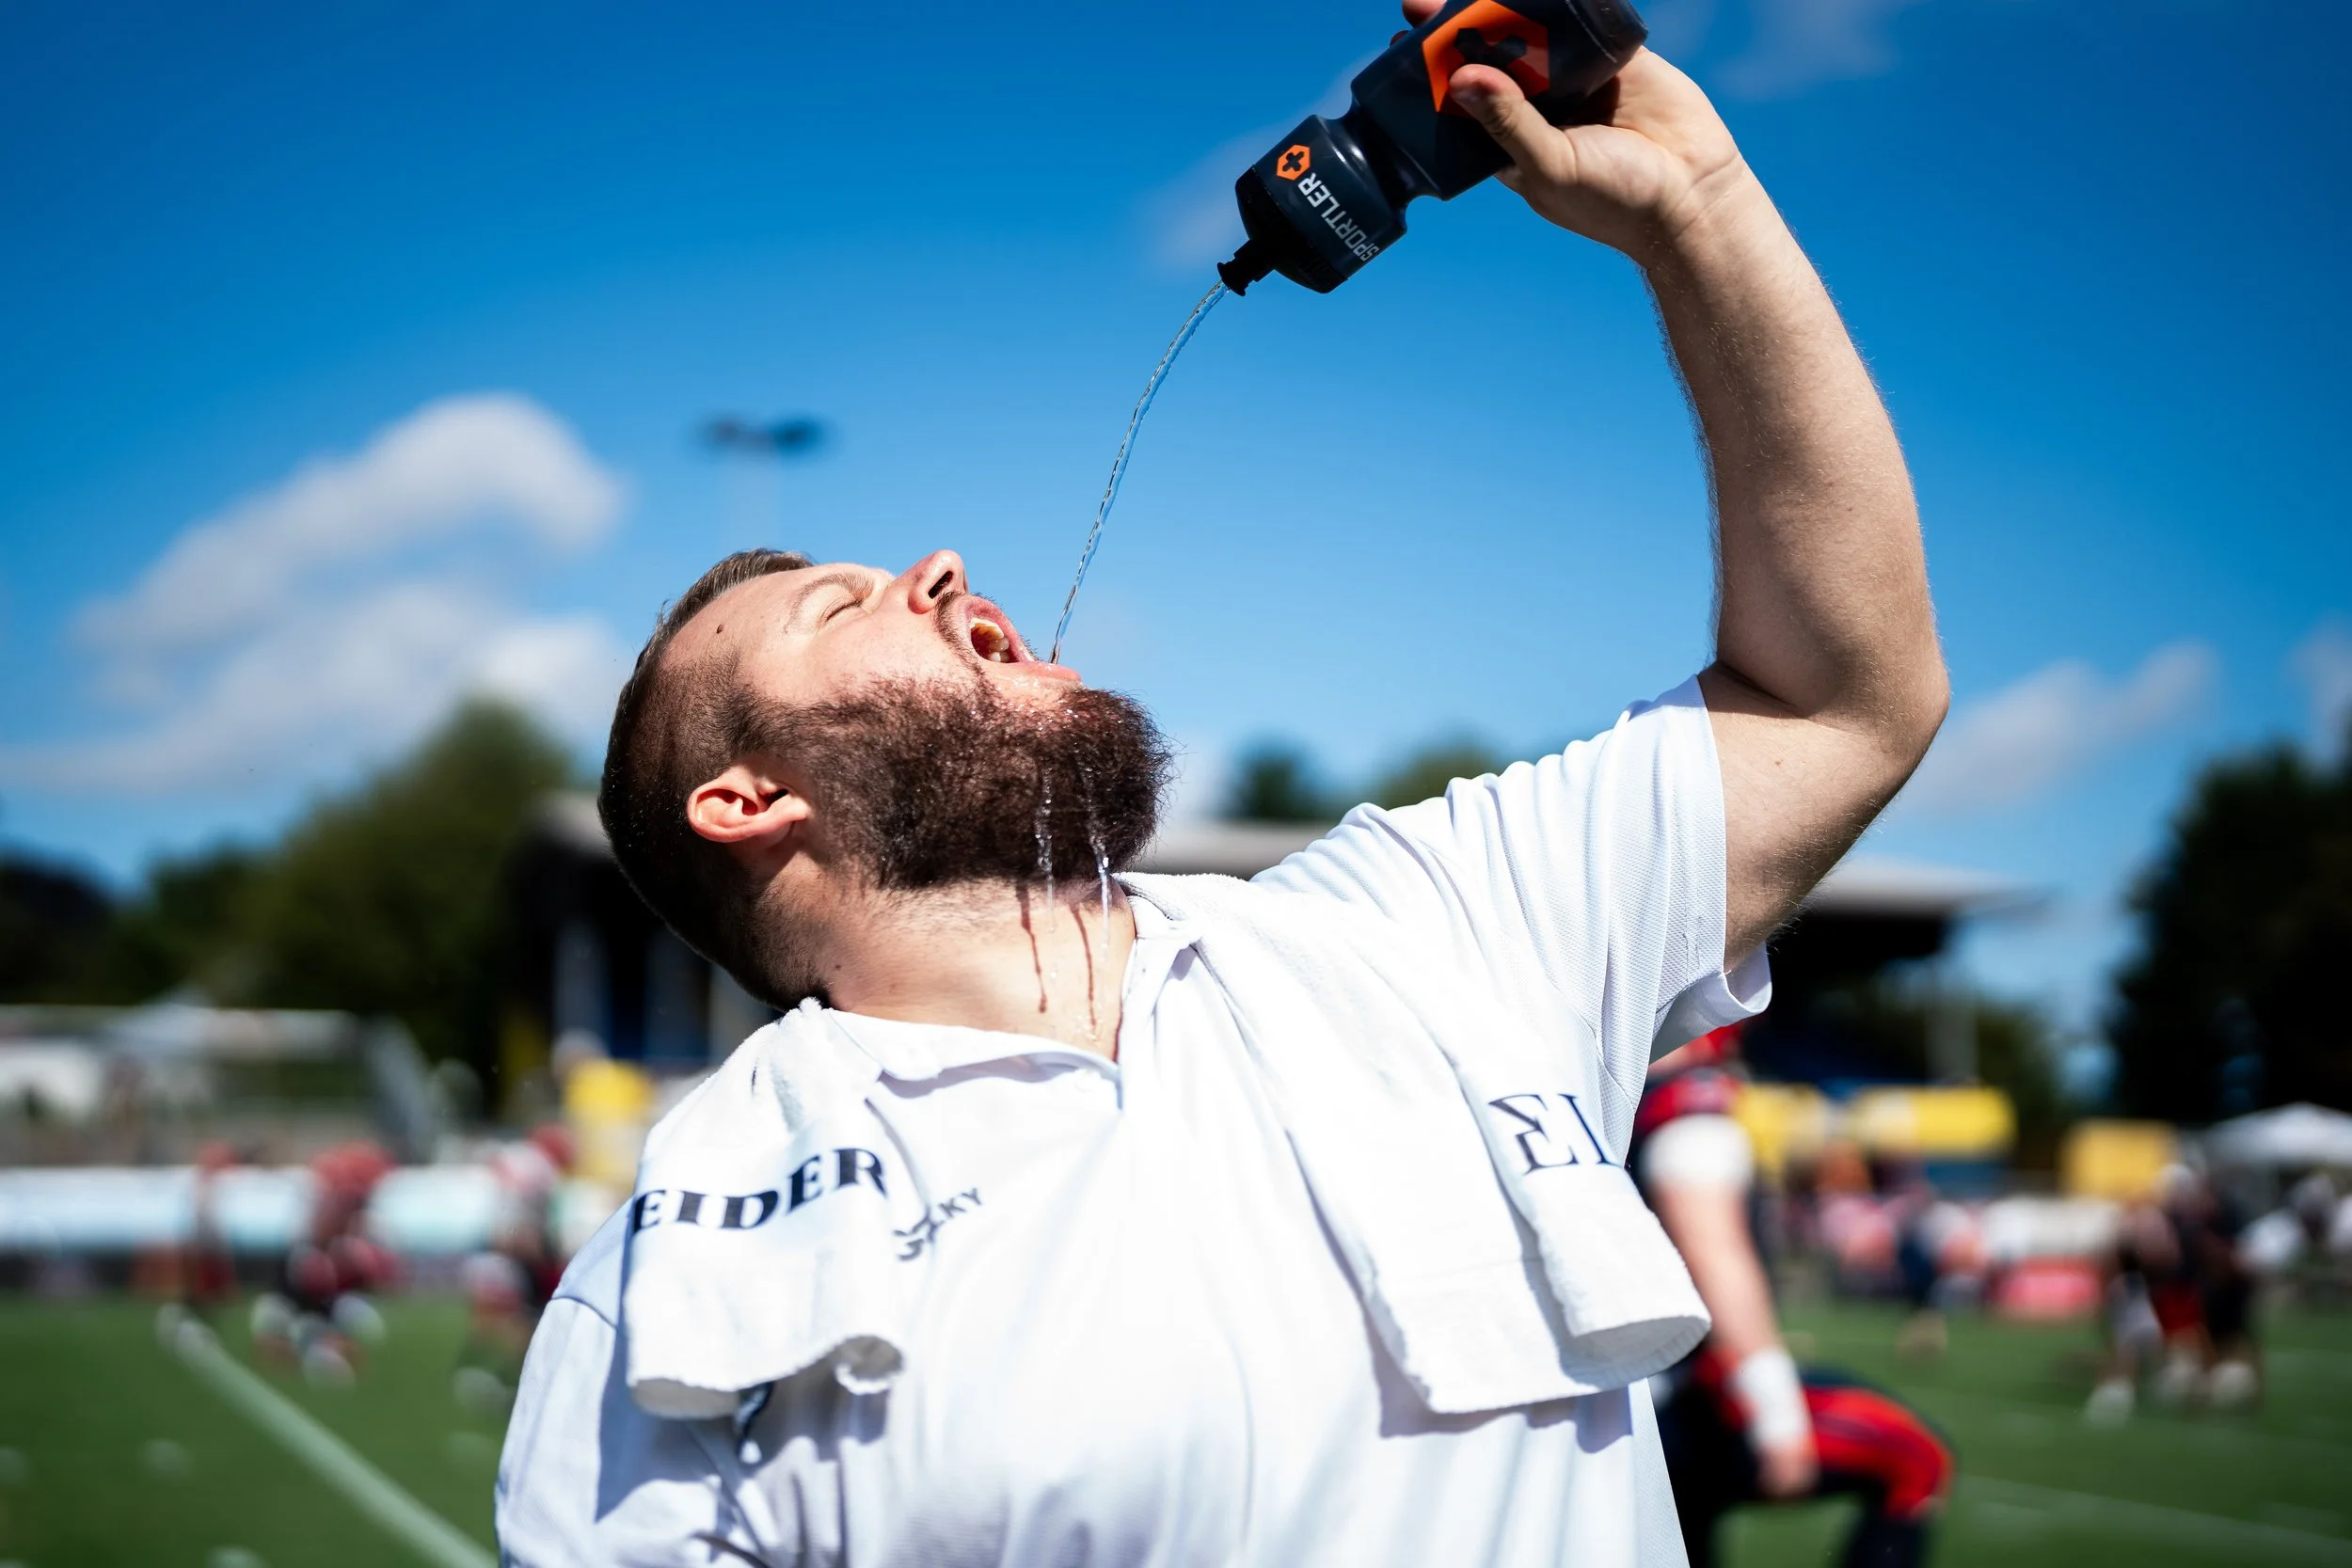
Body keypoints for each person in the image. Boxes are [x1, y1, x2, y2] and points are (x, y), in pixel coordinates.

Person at [494, 8, 1947, 1563]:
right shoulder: (682, 1281)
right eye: (844, 606)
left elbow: (1844, 700)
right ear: (747, 798)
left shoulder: (1423, 929)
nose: (937, 566)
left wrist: (1697, 205)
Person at [1634, 1027, 1953, 1568]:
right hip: (1681, 1402)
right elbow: (1716, 1254)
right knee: (1917, 1459)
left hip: (1629, 1401)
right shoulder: (1689, 1111)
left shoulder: (1611, 1104)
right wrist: (1775, 1409)